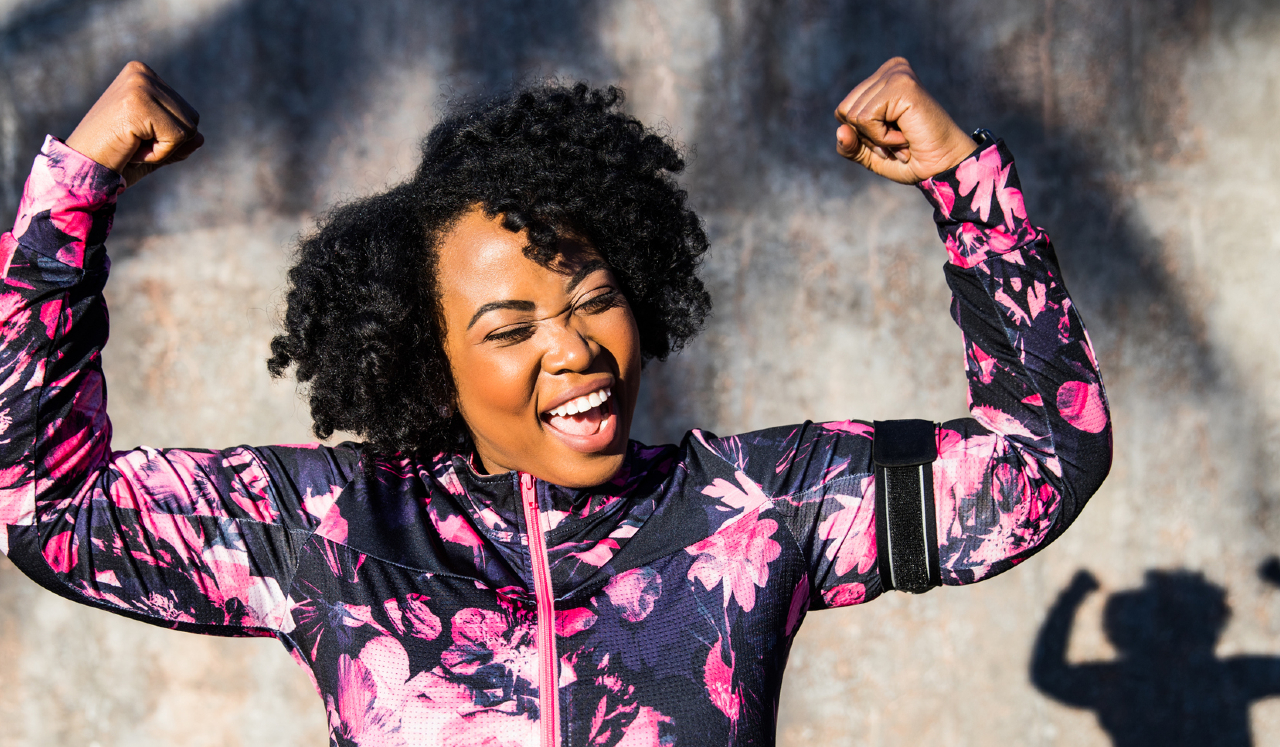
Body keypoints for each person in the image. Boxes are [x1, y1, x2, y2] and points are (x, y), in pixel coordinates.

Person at [0, 57, 1111, 746]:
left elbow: (1040, 457)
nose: (575, 350)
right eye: (507, 328)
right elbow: (42, 502)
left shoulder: (752, 509)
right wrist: (69, 200)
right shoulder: (329, 534)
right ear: (428, 359)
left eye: (592, 299)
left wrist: (968, 191)